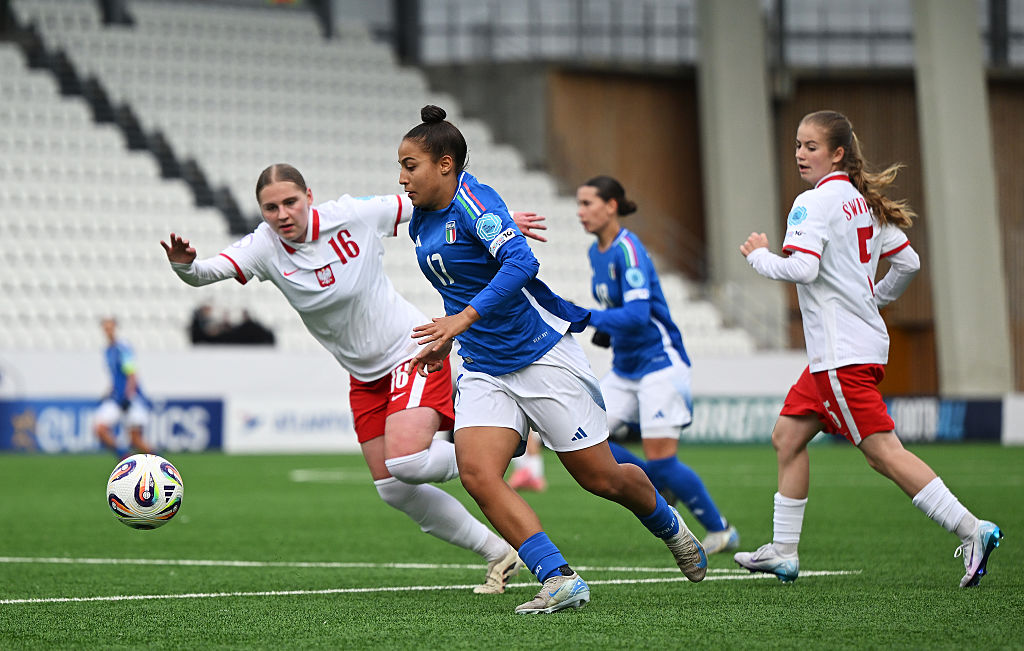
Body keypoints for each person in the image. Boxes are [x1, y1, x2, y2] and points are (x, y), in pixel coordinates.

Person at [162, 163, 547, 595]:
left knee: (407, 462)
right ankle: (499, 552)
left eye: (290, 201)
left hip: (412, 350)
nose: (282, 213)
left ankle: (491, 449)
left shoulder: (353, 215)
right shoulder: (263, 246)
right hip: (364, 376)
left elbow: (433, 204)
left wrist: (499, 224)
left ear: (309, 195)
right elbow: (204, 272)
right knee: (393, 490)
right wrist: (184, 266)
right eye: (270, 208)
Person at [401, 105, 708, 615]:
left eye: (411, 165)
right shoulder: (420, 222)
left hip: (540, 353)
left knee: (601, 478)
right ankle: (558, 578)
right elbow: (461, 288)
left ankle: (670, 525)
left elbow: (521, 262)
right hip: (484, 364)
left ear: (446, 164)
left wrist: (459, 323)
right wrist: (449, 340)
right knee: (477, 472)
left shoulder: (476, 201)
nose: (403, 177)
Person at [734, 109, 1002, 587]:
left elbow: (802, 270)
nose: (800, 154)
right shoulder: (863, 203)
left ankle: (971, 528)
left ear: (837, 153)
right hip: (843, 354)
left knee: (883, 453)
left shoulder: (812, 203)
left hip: (840, 357)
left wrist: (758, 256)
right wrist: (872, 299)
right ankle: (784, 550)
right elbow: (909, 263)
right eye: (797, 145)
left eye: (811, 146)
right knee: (787, 437)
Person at [576, 175, 740, 555]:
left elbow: (635, 315)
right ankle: (655, 483)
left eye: (588, 203)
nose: (581, 212)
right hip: (626, 365)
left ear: (611, 206)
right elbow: (620, 313)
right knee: (583, 436)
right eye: (579, 205)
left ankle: (721, 529)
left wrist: (587, 317)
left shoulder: (628, 250)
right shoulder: (594, 252)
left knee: (663, 460)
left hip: (659, 363)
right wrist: (606, 329)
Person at [94, 316, 154, 458]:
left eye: (110, 327)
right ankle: (124, 458)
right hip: (116, 398)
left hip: (130, 398)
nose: (108, 331)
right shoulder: (107, 350)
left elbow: (132, 373)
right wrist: (109, 392)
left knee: (136, 440)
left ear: (115, 328)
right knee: (99, 428)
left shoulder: (123, 347)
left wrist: (128, 395)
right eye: (106, 328)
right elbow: (115, 376)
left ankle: (161, 466)